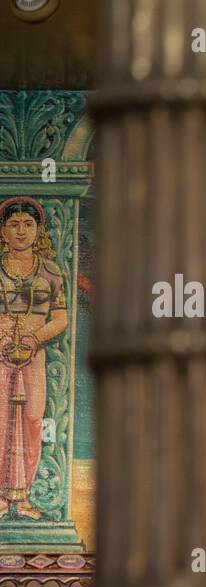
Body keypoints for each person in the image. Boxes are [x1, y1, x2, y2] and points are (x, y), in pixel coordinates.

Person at [0, 197, 67, 520]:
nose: (21, 231)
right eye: (14, 224)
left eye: (28, 224)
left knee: (31, 420)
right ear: (3, 231)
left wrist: (32, 338)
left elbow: (61, 318)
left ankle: (23, 496)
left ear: (38, 229)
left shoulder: (51, 271)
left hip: (33, 357)